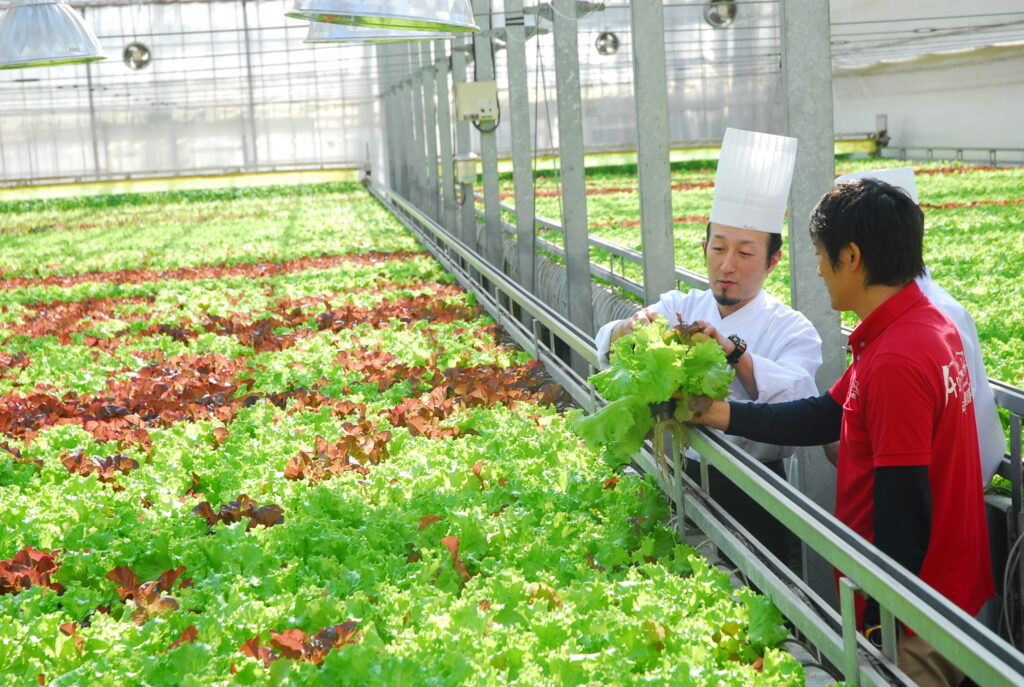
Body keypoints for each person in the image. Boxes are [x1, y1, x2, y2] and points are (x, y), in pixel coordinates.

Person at [689, 177, 994, 687]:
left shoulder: (898, 356)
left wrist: (880, 618)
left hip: (917, 616)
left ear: (850, 256)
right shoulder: (920, 325)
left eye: (820, 253)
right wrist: (720, 414)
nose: (817, 269)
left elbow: (903, 506)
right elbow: (824, 415)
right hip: (947, 588)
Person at [594, 128, 823, 564]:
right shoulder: (680, 304)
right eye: (717, 248)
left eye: (745, 253)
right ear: (704, 248)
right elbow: (606, 346)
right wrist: (629, 328)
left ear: (773, 260)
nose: (727, 266)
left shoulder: (793, 329)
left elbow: (799, 403)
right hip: (671, 478)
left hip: (757, 493)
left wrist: (735, 355)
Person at [835, 167, 1007, 486]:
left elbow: (907, 488)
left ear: (854, 256)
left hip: (938, 504)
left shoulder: (933, 319)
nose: (821, 268)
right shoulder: (896, 316)